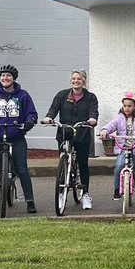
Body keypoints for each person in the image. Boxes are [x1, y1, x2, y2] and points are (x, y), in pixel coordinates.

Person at [0, 65, 39, 215]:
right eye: (3, 75)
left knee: (22, 169)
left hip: (16, 136)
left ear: (13, 78)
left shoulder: (23, 95)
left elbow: (31, 112)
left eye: (8, 76)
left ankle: (30, 201)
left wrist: (30, 120)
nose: (5, 78)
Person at [41, 70, 99, 211]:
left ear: (84, 81)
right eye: (73, 78)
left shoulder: (90, 97)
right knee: (63, 162)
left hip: (82, 133)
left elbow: (94, 111)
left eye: (79, 79)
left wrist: (92, 119)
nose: (76, 81)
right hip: (65, 133)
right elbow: (53, 109)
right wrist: (49, 117)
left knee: (83, 163)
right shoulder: (62, 95)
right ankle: (61, 192)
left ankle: (85, 194)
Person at [99, 92, 135, 210]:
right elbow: (111, 125)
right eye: (125, 105)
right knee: (119, 165)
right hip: (123, 146)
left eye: (129, 106)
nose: (127, 108)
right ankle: (117, 189)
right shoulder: (119, 117)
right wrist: (105, 130)